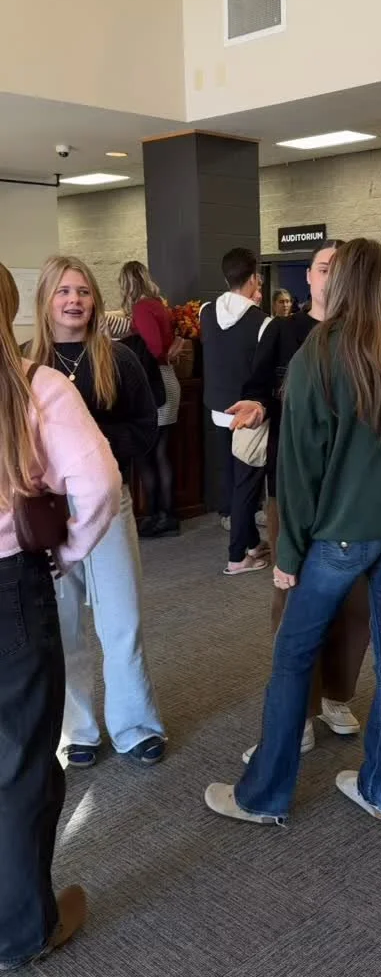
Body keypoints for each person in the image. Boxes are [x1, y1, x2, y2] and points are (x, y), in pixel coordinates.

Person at [204, 238, 381, 825]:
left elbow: (300, 466)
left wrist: (288, 549)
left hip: (339, 537)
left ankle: (263, 796)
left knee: (292, 655)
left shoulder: (324, 349)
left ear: (341, 281)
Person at [0, 262, 121, 969]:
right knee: (21, 762)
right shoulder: (34, 385)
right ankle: (20, 930)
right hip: (9, 586)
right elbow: (100, 485)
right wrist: (64, 554)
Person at [226, 241, 370, 760]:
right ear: (308, 277)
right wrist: (258, 407)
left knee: (354, 601)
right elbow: (258, 387)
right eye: (323, 268)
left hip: (353, 490)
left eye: (339, 268)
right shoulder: (284, 331)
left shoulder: (364, 336)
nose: (330, 276)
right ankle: (299, 711)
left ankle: (335, 695)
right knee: (293, 596)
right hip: (293, 483)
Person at [29, 255, 166, 769]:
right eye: (64, 291)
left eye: (83, 291)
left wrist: (87, 446)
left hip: (108, 502)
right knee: (62, 625)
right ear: (46, 299)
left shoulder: (118, 358)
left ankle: (135, 726)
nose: (74, 301)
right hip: (49, 512)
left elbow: (145, 428)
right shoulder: (25, 363)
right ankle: (78, 730)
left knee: (121, 619)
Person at [200, 248, 270, 573]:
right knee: (247, 484)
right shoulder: (262, 322)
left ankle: (252, 542)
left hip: (216, 407)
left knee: (231, 477)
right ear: (254, 277)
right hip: (247, 412)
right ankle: (237, 556)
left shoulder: (206, 311)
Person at [118, 260, 182, 538]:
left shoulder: (142, 308)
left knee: (147, 454)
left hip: (155, 385)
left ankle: (159, 516)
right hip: (167, 379)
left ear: (127, 283)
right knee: (160, 452)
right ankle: (165, 515)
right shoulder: (157, 304)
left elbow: (154, 349)